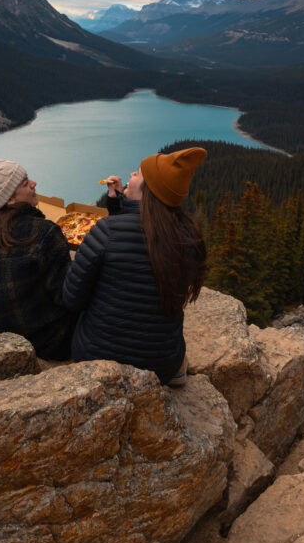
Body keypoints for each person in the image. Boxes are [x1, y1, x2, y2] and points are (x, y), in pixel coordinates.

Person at [62, 147, 207, 385]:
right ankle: (178, 369)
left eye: (137, 174)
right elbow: (144, 232)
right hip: (162, 365)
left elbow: (72, 299)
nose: (130, 174)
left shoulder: (106, 231)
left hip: (97, 358)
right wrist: (119, 202)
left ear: (148, 189)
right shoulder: (189, 238)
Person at [0, 144, 76, 359]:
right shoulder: (45, 233)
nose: (34, 184)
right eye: (25, 183)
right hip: (49, 344)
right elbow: (67, 297)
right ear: (9, 199)